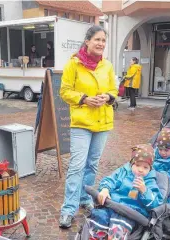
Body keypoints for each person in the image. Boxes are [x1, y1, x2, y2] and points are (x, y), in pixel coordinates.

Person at [59, 25, 118, 228]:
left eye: (103, 40)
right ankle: (68, 209)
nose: (101, 44)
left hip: (102, 121)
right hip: (82, 122)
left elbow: (114, 89)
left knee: (92, 164)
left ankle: (85, 199)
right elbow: (65, 91)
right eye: (97, 40)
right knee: (77, 165)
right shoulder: (73, 64)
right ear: (87, 41)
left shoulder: (107, 66)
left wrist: (108, 96)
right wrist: (84, 99)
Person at [89, 144, 163, 239]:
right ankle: (95, 236)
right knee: (99, 215)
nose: (140, 170)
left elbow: (156, 204)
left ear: (150, 168)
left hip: (131, 212)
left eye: (145, 167)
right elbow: (111, 179)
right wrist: (105, 189)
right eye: (137, 165)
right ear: (131, 163)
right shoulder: (123, 172)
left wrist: (145, 191)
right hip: (113, 206)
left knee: (119, 225)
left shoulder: (150, 181)